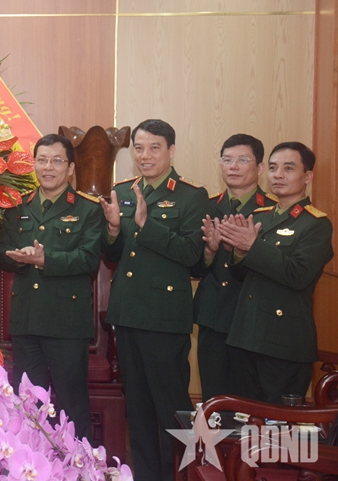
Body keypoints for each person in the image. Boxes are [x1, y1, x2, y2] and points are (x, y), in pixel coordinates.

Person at [99, 119, 208, 481]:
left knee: (172, 409)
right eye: (139, 148)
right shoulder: (123, 191)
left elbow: (192, 254)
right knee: (139, 409)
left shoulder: (191, 196)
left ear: (171, 151)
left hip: (164, 318)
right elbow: (112, 254)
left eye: (154, 148)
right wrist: (113, 228)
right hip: (127, 313)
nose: (145, 156)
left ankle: (184, 476)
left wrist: (149, 227)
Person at [0, 134, 103, 441]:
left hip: (66, 323)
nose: (48, 167)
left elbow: (89, 259)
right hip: (26, 319)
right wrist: (18, 257)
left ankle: (79, 463)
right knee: (29, 404)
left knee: (71, 404)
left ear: (70, 168)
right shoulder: (18, 206)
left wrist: (45, 259)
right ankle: (32, 462)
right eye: (42, 160)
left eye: (56, 161)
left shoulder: (88, 209)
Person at [218, 142, 333, 404]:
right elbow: (242, 275)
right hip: (246, 336)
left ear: (307, 177)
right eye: (272, 168)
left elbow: (298, 275)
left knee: (278, 425)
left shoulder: (316, 224)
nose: (278, 175)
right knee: (244, 419)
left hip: (283, 343)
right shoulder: (261, 216)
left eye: (288, 168)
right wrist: (238, 252)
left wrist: (252, 246)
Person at [193, 134, 277, 401]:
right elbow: (193, 267)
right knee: (214, 401)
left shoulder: (273, 209)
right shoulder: (206, 207)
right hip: (213, 317)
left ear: (260, 168)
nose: (233, 166)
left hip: (252, 320)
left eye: (242, 160)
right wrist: (209, 252)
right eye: (227, 160)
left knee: (249, 403)